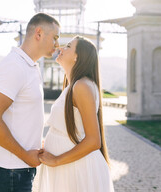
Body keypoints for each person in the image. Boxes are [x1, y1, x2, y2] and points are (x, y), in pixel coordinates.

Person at [0, 13, 60, 192]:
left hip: (17, 167)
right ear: (38, 33)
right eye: (55, 37)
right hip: (10, 169)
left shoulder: (29, 66)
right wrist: (24, 155)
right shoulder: (14, 65)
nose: (57, 44)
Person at [38, 36, 114, 192]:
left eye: (67, 46)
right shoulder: (73, 85)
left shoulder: (82, 86)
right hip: (68, 168)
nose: (61, 48)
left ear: (77, 56)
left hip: (75, 169)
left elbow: (94, 140)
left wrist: (56, 160)